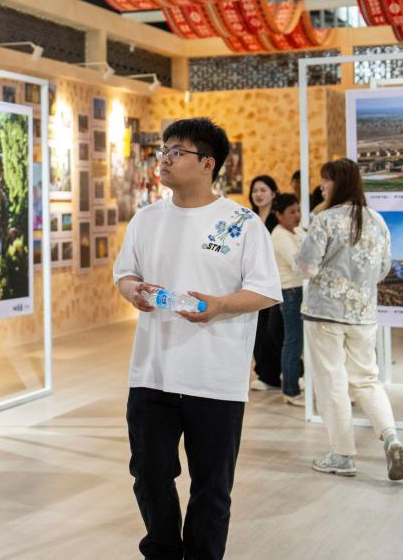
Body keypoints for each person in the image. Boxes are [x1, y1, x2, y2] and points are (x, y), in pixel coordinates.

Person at [114, 118, 282, 560]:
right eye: (164, 150)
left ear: (208, 163)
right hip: (152, 372)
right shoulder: (146, 219)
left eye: (177, 151)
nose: (165, 159)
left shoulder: (242, 223)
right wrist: (133, 291)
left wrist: (220, 305)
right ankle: (163, 551)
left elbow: (266, 291)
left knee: (211, 486)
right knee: (148, 474)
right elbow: (125, 275)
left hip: (216, 377)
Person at [296, 158, 403, 481]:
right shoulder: (377, 220)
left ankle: (343, 455)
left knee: (332, 382)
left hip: (324, 313)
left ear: (340, 183)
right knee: (367, 379)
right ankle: (391, 437)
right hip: (363, 313)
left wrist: (302, 259)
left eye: (326, 180)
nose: (321, 186)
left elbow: (307, 266)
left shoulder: (324, 219)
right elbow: (384, 269)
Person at [248, 175, 283, 392]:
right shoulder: (248, 218)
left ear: (273, 193)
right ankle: (265, 374)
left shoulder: (278, 219)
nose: (258, 194)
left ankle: (284, 372)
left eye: (263, 190)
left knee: (274, 330)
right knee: (258, 330)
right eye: (255, 191)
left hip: (276, 280)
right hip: (252, 281)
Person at [271, 193, 305, 406]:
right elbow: (299, 264)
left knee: (297, 342)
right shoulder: (279, 235)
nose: (297, 215)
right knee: (293, 342)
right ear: (279, 215)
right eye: (292, 212)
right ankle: (290, 391)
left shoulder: (297, 230)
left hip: (301, 290)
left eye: (298, 210)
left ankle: (295, 382)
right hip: (290, 293)